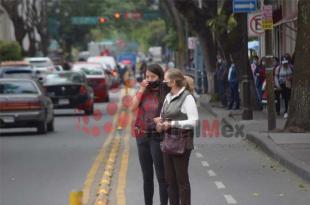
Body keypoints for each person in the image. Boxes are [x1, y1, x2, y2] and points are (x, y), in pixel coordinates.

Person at [155, 68, 199, 205]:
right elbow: (164, 116)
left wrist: (172, 123)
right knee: (170, 180)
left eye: (166, 80)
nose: (164, 82)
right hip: (168, 142)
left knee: (182, 181)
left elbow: (194, 121)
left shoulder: (187, 97)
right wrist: (160, 122)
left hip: (182, 143)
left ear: (173, 82)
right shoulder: (168, 97)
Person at [131, 64, 170, 205]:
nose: (149, 79)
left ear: (160, 77)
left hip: (157, 136)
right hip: (141, 136)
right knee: (147, 177)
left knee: (162, 177)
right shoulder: (143, 90)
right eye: (147, 76)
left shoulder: (165, 91)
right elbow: (132, 107)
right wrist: (141, 88)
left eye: (153, 76)